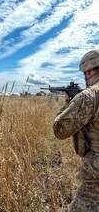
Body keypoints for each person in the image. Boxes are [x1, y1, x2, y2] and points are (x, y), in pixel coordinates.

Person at [53, 49, 99, 212]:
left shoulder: (88, 96)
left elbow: (60, 131)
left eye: (85, 73)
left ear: (89, 70)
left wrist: (67, 103)